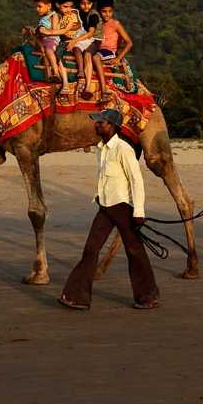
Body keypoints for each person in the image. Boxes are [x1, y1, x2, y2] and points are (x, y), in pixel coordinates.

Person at [58, 108, 160, 311]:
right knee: (91, 249)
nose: (96, 125)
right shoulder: (101, 149)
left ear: (112, 126)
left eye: (101, 122)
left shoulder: (123, 149)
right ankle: (77, 296)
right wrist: (98, 196)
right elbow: (105, 178)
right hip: (104, 206)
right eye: (97, 122)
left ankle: (147, 296)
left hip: (123, 207)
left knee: (134, 251)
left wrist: (138, 211)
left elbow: (136, 180)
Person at [38, 0, 82, 90]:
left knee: (57, 54)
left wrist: (48, 32)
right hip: (62, 39)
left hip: (72, 40)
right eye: (66, 6)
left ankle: (62, 79)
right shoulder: (56, 15)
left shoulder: (71, 15)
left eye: (70, 6)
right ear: (57, 5)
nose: (69, 9)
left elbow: (64, 31)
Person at [93, 0, 133, 103]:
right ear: (99, 11)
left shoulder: (115, 24)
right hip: (99, 50)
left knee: (96, 58)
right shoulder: (97, 23)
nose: (107, 14)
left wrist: (118, 58)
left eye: (110, 11)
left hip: (109, 51)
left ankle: (104, 91)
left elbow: (129, 42)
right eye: (104, 11)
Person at [69, 0, 101, 99]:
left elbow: (91, 33)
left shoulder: (93, 15)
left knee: (87, 55)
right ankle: (81, 71)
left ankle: (87, 87)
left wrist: (75, 40)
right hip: (83, 38)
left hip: (95, 40)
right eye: (83, 3)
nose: (86, 6)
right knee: (76, 49)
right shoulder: (78, 13)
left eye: (89, 3)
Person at [28, 0, 62, 82]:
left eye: (40, 6)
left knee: (48, 50)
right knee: (29, 42)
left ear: (49, 6)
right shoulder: (42, 18)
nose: (37, 9)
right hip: (43, 39)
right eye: (36, 7)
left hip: (51, 39)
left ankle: (56, 73)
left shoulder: (53, 16)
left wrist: (44, 32)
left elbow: (55, 31)